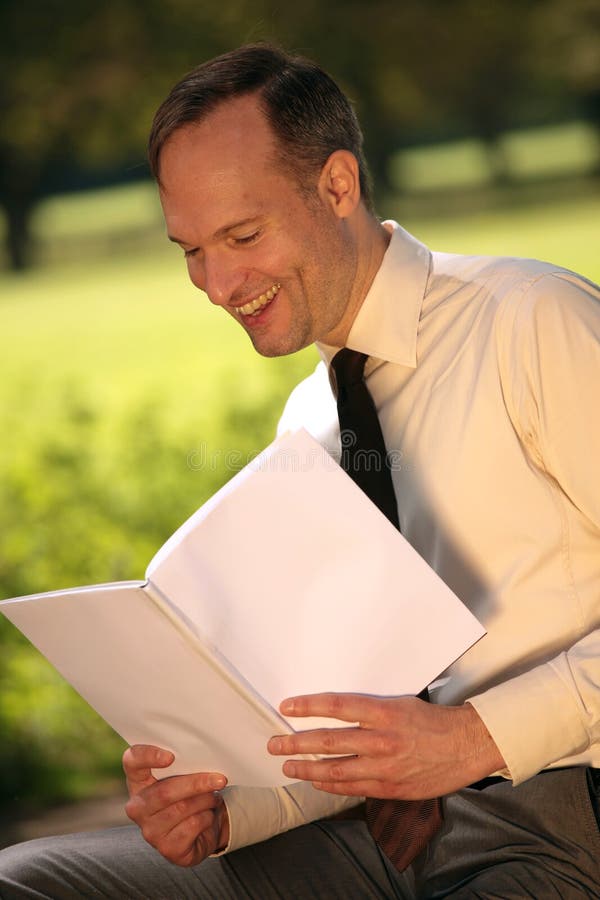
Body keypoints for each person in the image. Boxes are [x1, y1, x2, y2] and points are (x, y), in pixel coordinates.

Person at [1, 43, 599, 899]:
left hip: (552, 827)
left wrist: (473, 738)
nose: (217, 283)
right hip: (371, 843)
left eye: (242, 235)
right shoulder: (309, 425)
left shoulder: (531, 322)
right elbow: (339, 731)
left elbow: (449, 738)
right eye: (191, 250)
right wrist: (226, 811)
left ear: (338, 186)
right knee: (29, 880)